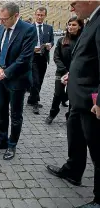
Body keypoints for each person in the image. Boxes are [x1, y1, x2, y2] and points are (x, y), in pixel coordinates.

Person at [46, 1, 100, 208]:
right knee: (74, 135)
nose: (71, 7)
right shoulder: (91, 20)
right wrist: (73, 74)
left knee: (97, 149)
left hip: (91, 101)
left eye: (74, 2)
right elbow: (89, 59)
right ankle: (73, 170)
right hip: (78, 99)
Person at [0, 2, 37, 160]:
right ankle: (1, 140)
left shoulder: (28, 30)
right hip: (0, 78)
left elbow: (25, 58)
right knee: (1, 111)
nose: (1, 22)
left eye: (5, 19)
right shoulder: (1, 28)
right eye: (0, 19)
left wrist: (6, 72)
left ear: (16, 16)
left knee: (15, 115)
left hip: (17, 80)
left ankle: (12, 145)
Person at [45, 16, 84, 124]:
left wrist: (72, 72)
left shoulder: (83, 41)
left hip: (76, 73)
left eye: (74, 25)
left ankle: (70, 116)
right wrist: (65, 71)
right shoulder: (62, 40)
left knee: (72, 96)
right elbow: (56, 57)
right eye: (69, 24)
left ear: (80, 26)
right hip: (61, 72)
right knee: (58, 93)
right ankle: (52, 113)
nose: (71, 27)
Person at [27, 7, 55, 114]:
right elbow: (25, 42)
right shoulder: (29, 27)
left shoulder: (49, 28)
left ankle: (31, 98)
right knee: (35, 81)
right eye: (38, 14)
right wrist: (32, 48)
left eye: (42, 15)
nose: (39, 17)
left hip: (43, 57)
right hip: (32, 58)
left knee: (41, 80)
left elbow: (52, 40)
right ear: (35, 15)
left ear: (45, 16)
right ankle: (35, 102)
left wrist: (50, 45)